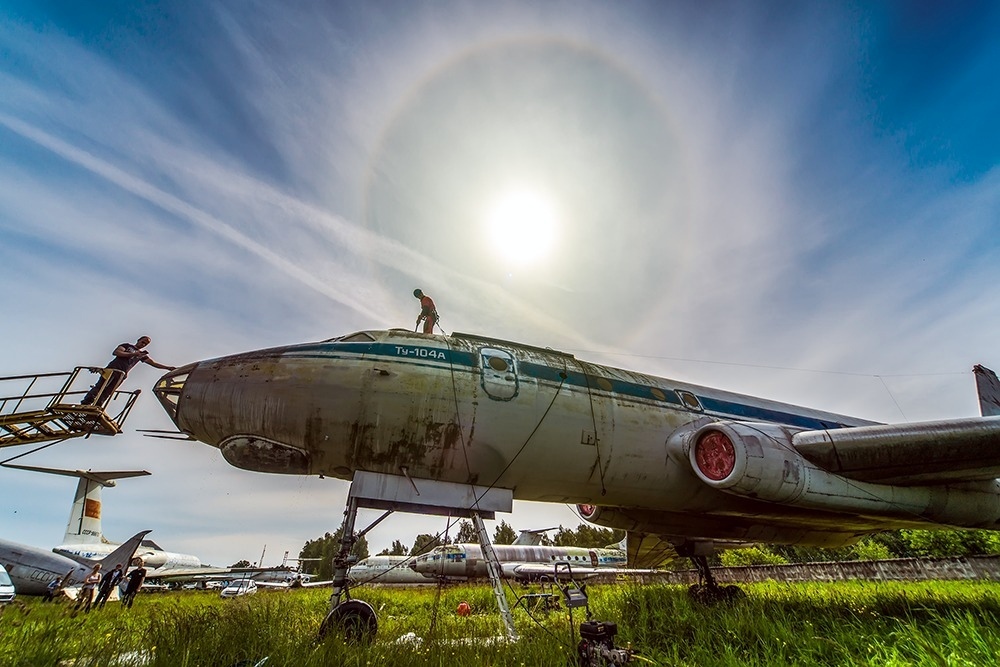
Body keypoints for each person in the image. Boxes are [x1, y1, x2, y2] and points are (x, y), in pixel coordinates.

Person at [82, 336, 176, 406]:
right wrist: (133, 354)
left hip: (121, 375)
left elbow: (153, 363)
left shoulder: (141, 355)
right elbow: (117, 352)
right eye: (142, 342)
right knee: (100, 386)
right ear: (138, 340)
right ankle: (86, 403)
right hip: (112, 369)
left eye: (145, 344)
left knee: (108, 392)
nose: (143, 344)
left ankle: (97, 406)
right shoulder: (127, 346)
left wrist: (168, 368)